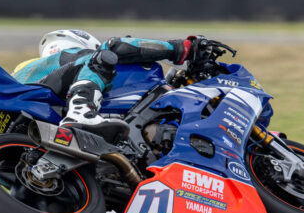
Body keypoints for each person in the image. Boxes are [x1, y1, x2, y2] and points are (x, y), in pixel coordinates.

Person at [12, 29, 203, 135]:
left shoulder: (26, 69)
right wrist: (182, 49)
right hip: (33, 105)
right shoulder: (67, 58)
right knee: (109, 50)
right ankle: (81, 109)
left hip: (21, 134)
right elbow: (115, 47)